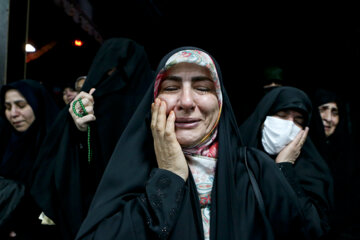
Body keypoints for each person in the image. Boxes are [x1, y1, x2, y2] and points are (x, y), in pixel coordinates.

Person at [75, 47, 329, 240]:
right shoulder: (131, 169)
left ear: (220, 102)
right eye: (172, 87)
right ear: (153, 101)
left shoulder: (257, 171)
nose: (186, 101)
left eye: (203, 88)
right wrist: (169, 176)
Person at [30, 38, 154, 240]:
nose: (111, 84)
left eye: (120, 75)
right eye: (105, 75)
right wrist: (78, 130)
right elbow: (54, 173)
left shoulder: (157, 110)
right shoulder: (79, 111)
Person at [239, 86, 334, 239]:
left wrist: (284, 167)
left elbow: (314, 228)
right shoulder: (239, 160)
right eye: (282, 115)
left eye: (298, 120)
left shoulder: (311, 169)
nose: (289, 125)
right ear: (263, 118)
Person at [0, 79, 60, 239]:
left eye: (21, 106)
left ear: (37, 105)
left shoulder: (57, 148)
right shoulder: (6, 141)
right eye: (7, 107)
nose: (13, 114)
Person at [309, 88, 360, 240]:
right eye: (323, 109)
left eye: (335, 112)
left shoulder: (348, 155)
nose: (329, 118)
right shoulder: (301, 153)